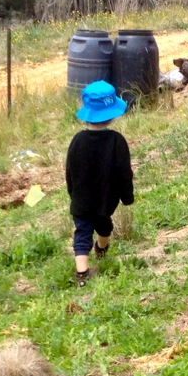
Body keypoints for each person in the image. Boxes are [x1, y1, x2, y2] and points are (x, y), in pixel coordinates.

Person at [65, 80, 134, 286]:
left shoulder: (77, 141)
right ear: (112, 114)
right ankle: (87, 267)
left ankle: (90, 262)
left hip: (81, 200)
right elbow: (124, 173)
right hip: (105, 201)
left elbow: (70, 171)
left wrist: (73, 194)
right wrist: (127, 197)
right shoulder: (116, 141)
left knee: (84, 232)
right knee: (103, 228)